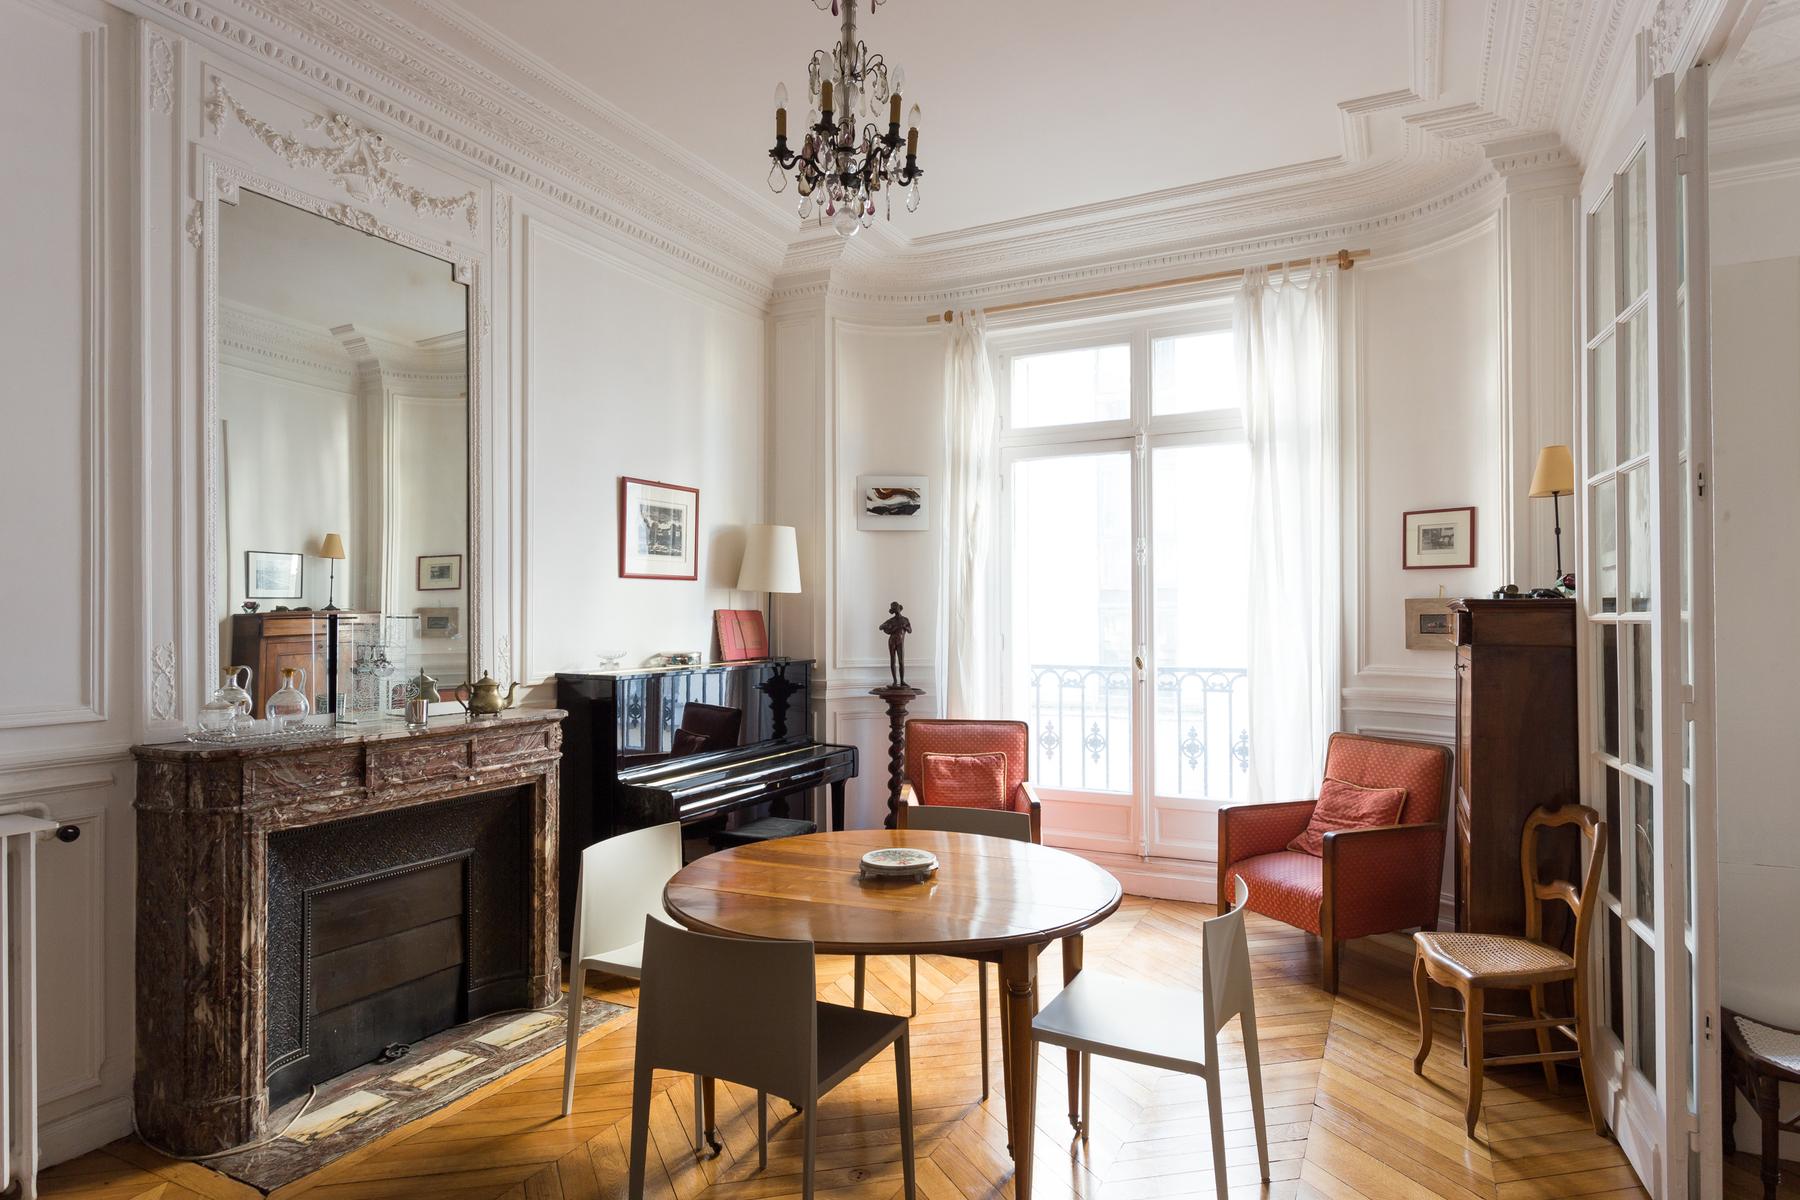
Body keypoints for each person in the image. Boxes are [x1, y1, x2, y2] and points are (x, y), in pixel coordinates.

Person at [879, 601, 912, 688]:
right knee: (893, 661)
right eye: (894, 608)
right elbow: (880, 627)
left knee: (901, 661)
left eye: (896, 607)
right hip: (892, 641)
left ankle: (902, 681)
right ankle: (895, 681)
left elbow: (910, 630)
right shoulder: (891, 620)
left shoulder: (905, 619)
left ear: (899, 608)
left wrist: (904, 626)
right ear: (893, 610)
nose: (896, 609)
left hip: (900, 642)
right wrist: (889, 628)